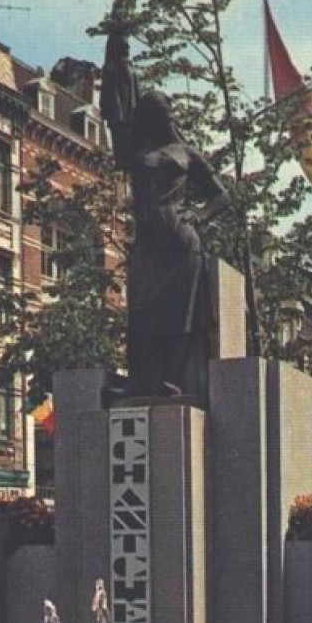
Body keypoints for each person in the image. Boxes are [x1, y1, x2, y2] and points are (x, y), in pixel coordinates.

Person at [101, 29, 231, 401]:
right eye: (151, 113)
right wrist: (116, 62)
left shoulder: (187, 153)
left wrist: (199, 216)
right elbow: (117, 114)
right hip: (148, 240)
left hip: (181, 241)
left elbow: (222, 197)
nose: (157, 118)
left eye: (160, 112)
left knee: (179, 316)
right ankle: (141, 380)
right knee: (139, 310)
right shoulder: (136, 150)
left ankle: (170, 380)